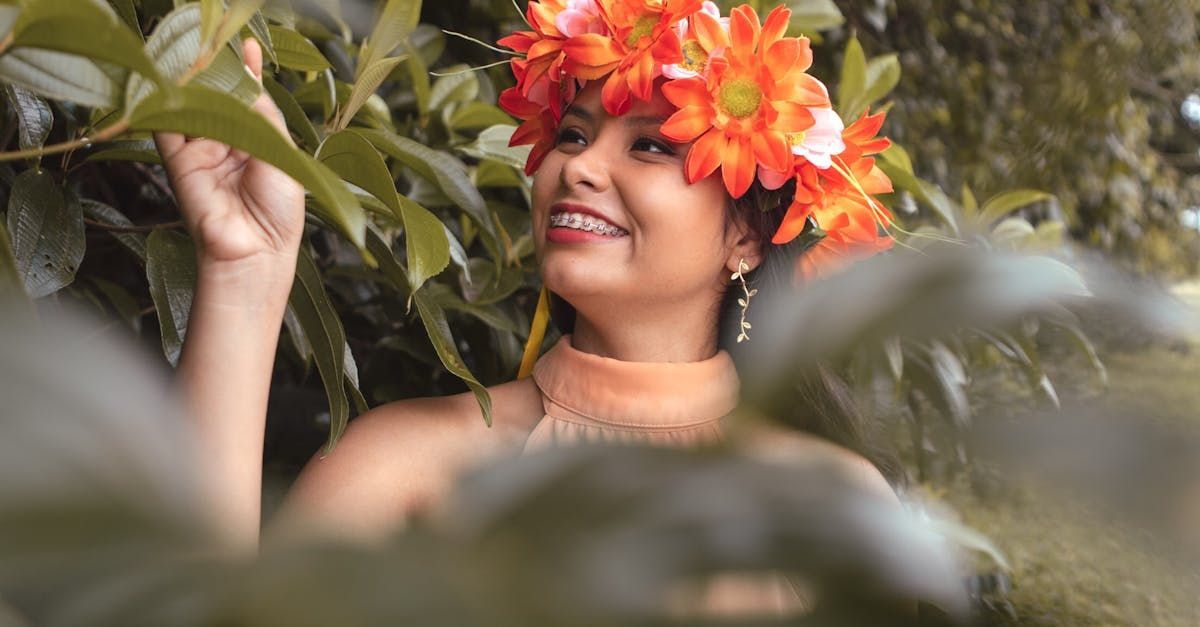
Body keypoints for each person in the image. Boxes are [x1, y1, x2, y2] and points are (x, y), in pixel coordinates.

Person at [157, 0, 902, 615]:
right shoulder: (406, 463)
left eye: (650, 148)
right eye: (572, 134)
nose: (577, 165)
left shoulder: (830, 505)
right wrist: (244, 271)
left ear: (745, 234)